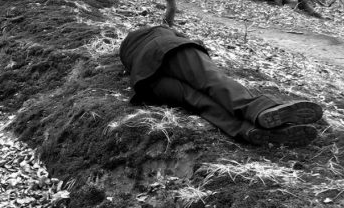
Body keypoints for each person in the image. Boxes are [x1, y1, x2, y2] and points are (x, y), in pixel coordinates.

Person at [119, 25, 323, 146]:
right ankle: (259, 110)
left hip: (146, 82)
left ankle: (247, 130)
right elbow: (186, 40)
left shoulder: (127, 53)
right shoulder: (161, 32)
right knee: (212, 80)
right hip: (166, 49)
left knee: (198, 102)